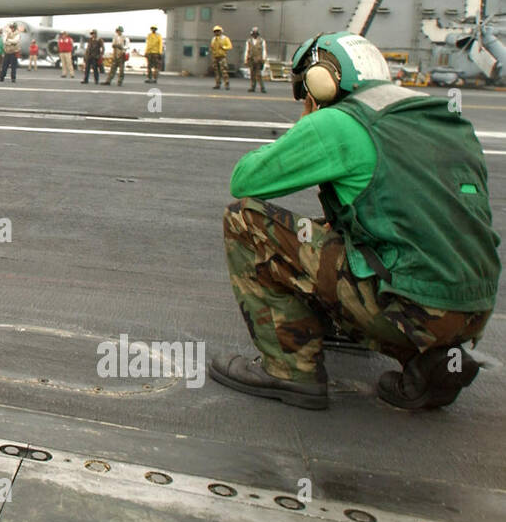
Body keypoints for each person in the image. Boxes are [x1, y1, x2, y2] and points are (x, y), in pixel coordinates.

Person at [209, 32, 499, 410]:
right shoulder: (443, 119)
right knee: (348, 236)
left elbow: (245, 179)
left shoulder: (341, 122)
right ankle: (428, 361)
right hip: (471, 309)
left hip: (409, 306)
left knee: (244, 221)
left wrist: (308, 124)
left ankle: (289, 369)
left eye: (305, 92)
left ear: (321, 81)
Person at [245, 26, 267, 93]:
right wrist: (246, 59)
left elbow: (264, 50)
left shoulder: (262, 41)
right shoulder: (249, 41)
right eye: (253, 33)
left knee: (258, 74)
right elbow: (247, 50)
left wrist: (263, 58)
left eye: (255, 33)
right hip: (251, 59)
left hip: (258, 59)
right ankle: (252, 87)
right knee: (252, 74)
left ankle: (262, 88)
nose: (254, 34)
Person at [210, 25, 232, 89]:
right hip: (215, 57)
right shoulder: (213, 39)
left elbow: (230, 46)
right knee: (216, 71)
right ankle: (217, 84)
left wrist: (224, 47)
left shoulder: (225, 38)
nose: (216, 32)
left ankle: (227, 84)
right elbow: (212, 47)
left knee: (224, 71)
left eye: (218, 31)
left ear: (221, 31)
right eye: (215, 31)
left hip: (222, 57)